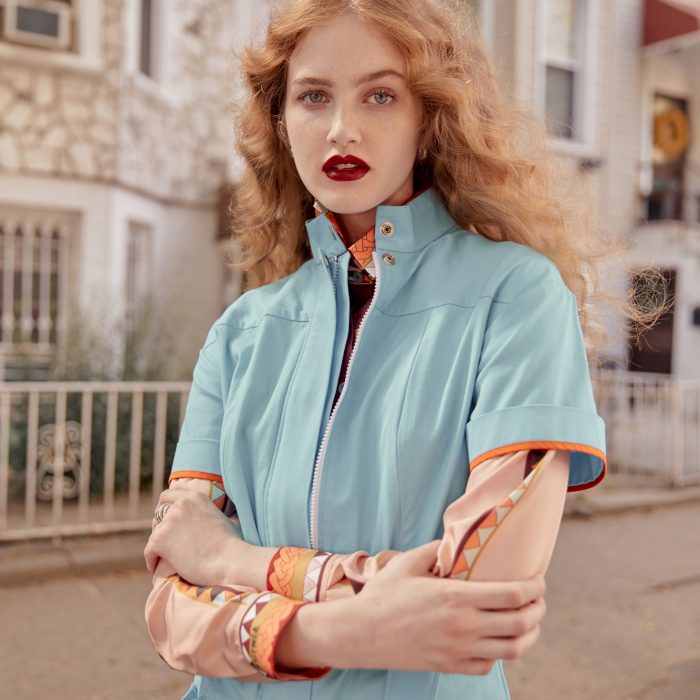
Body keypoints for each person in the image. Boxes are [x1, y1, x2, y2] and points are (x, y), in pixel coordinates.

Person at [140, 1, 640, 698]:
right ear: (281, 123)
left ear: (429, 118)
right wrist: (341, 628)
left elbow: (479, 599)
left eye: (380, 95)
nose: (342, 128)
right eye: (314, 96)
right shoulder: (240, 333)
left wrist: (232, 561)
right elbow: (172, 607)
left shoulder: (516, 296)